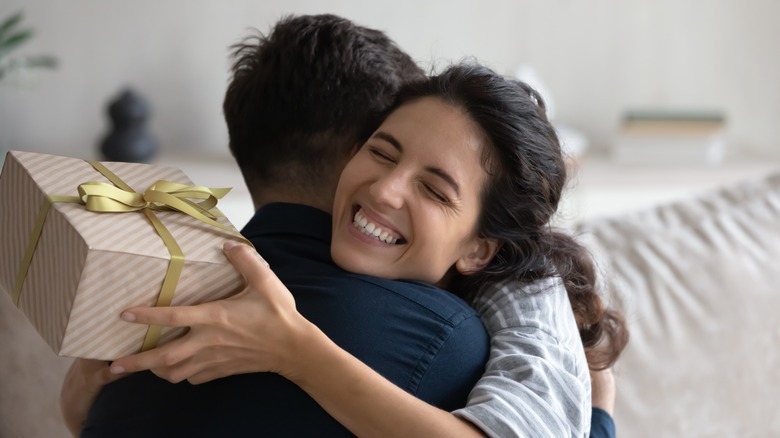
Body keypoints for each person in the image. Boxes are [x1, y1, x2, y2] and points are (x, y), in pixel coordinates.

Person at [61, 14, 626, 438]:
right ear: (351, 149)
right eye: (382, 151)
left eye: (433, 187)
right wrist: (598, 414)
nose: (385, 190)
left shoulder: (153, 301)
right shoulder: (450, 344)